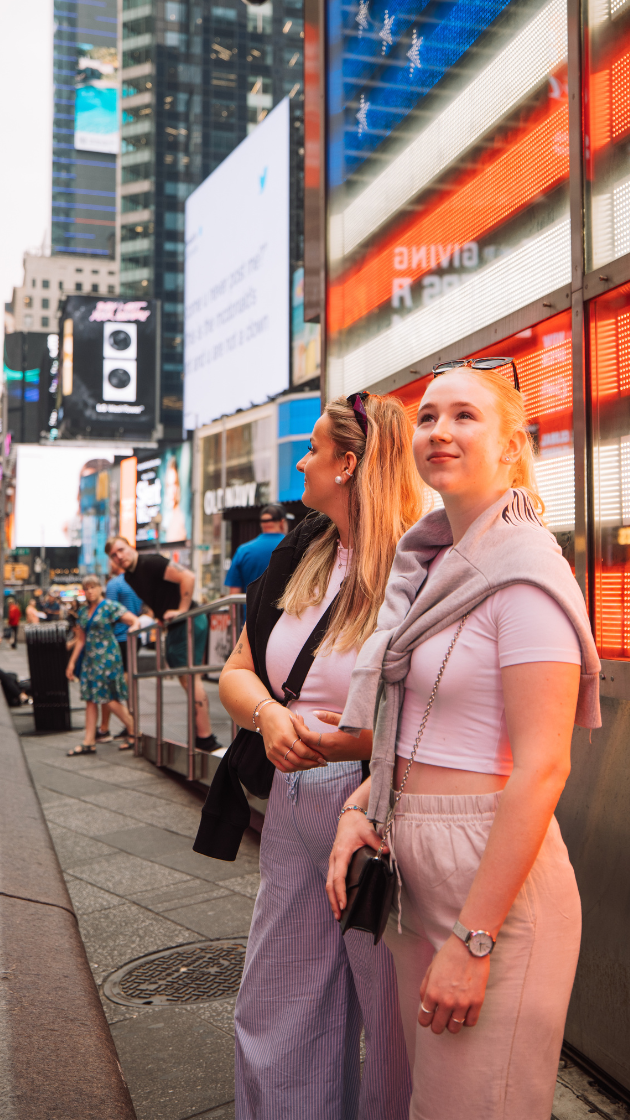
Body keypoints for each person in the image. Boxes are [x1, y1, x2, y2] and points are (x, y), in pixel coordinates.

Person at [326, 365, 601, 1120]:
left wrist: (475, 941)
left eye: (465, 417)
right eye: (427, 417)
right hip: (421, 868)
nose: (439, 431)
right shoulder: (432, 565)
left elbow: (543, 768)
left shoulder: (529, 572)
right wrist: (365, 804)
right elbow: (418, 732)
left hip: (495, 887)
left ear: (513, 448)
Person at [214, 393, 426, 1120]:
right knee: (275, 1000)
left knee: (393, 1020)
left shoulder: (420, 561)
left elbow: (443, 713)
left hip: (379, 808)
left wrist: (351, 742)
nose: (301, 460)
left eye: (312, 447)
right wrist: (271, 716)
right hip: (293, 800)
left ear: (349, 463)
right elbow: (237, 673)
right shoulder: (302, 548)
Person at [105, 537, 221, 752]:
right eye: (113, 555)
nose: (119, 556)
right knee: (187, 678)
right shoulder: (130, 576)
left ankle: (205, 738)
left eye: (121, 550)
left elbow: (188, 576)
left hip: (189, 620)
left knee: (191, 677)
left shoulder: (151, 562)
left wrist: (182, 609)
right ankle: (201, 735)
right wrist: (161, 615)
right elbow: (159, 593)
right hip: (178, 624)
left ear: (131, 546)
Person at [66, 574, 139, 756]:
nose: (90, 591)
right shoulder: (83, 612)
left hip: (108, 657)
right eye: (87, 588)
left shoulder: (109, 606)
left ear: (100, 588)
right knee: (91, 699)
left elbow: (133, 620)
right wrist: (72, 663)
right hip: (90, 660)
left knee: (108, 697)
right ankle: (89, 741)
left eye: (93, 587)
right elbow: (81, 640)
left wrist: (135, 627)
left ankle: (134, 730)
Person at [96, 551, 144, 745]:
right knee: (129, 683)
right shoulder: (136, 582)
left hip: (118, 640)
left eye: (113, 558)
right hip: (134, 638)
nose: (111, 561)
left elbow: (109, 614)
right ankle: (112, 727)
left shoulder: (114, 584)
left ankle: (129, 727)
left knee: (112, 686)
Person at [225, 503, 289, 594]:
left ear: (262, 524)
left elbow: (234, 594)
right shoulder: (295, 547)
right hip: (286, 607)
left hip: (250, 608)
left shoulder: (243, 551)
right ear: (282, 522)